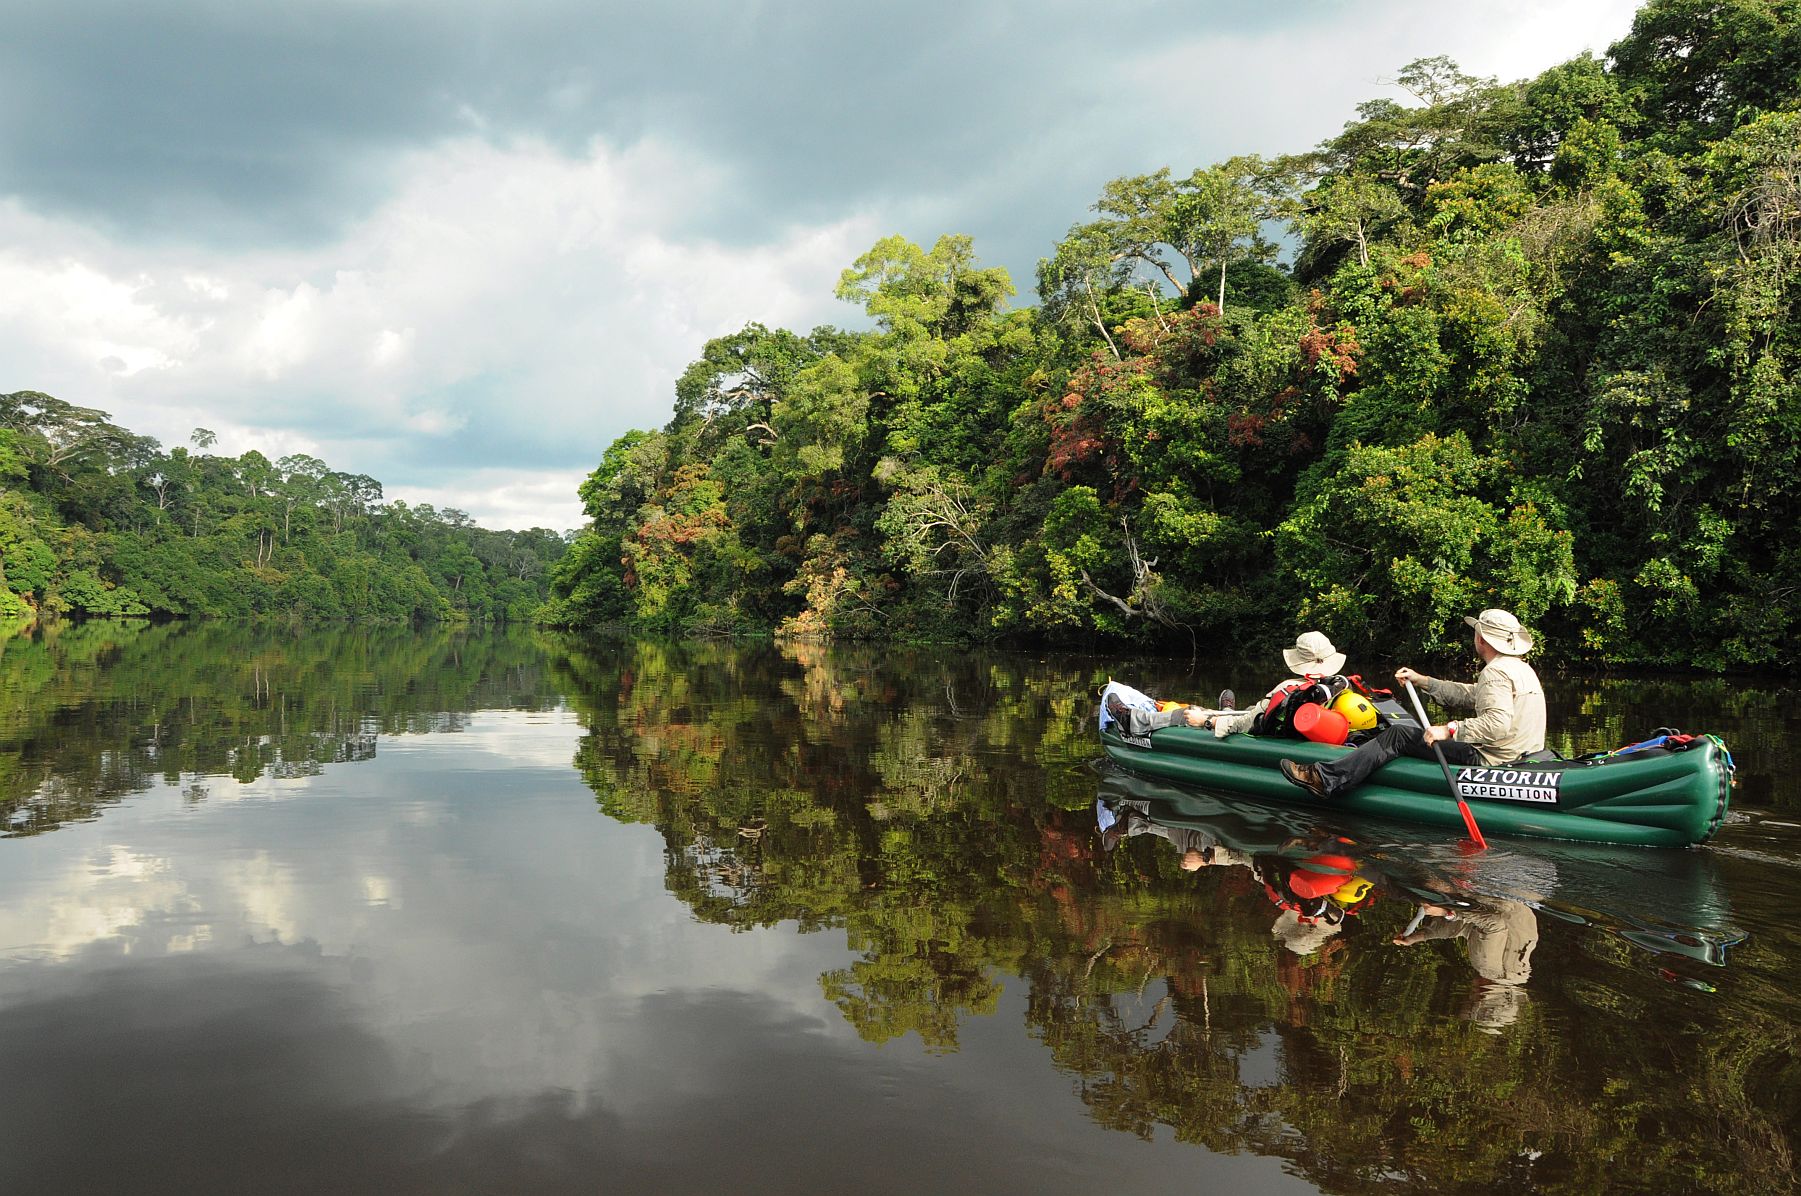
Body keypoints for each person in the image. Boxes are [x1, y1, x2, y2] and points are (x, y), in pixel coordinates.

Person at [1279, 609, 1545, 799]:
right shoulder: (1520, 668)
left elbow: (1497, 725)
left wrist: (1449, 729)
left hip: (1494, 760)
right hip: (1521, 755)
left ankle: (1325, 779)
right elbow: (1472, 695)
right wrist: (1424, 681)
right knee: (1408, 731)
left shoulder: (1495, 672)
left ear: (1481, 639)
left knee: (1399, 733)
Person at [1209, 630, 1347, 737]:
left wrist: (1209, 722)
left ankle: (1225, 713)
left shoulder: (1289, 689)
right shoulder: (1342, 687)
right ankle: (1228, 712)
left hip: (1276, 736)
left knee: (1255, 711)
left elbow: (1249, 723)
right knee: (1252, 708)